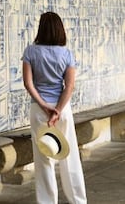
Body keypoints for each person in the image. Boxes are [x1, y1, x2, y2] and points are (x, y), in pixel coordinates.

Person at [22, 12, 87, 204]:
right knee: (70, 156)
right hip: (62, 111)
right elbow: (70, 86)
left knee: (43, 160)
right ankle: (78, 200)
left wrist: (44, 105)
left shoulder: (30, 52)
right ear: (60, 29)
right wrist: (58, 109)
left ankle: (47, 201)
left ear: (41, 28)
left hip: (39, 111)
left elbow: (28, 83)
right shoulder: (66, 54)